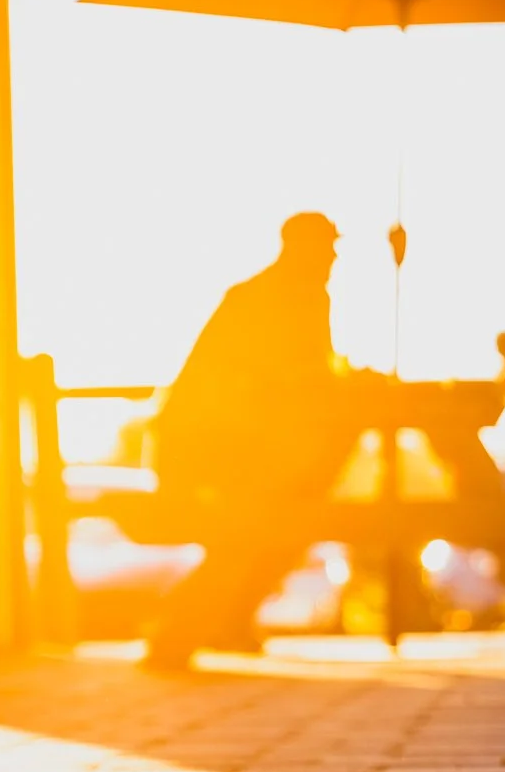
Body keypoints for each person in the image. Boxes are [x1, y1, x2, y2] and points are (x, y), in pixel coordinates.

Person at [145, 212, 353, 670]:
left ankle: (225, 623)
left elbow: (310, 375)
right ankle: (174, 641)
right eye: (328, 246)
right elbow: (291, 379)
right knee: (246, 533)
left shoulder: (297, 294)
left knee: (283, 525)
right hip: (214, 449)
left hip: (242, 447)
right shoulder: (273, 297)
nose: (335, 256)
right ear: (302, 246)